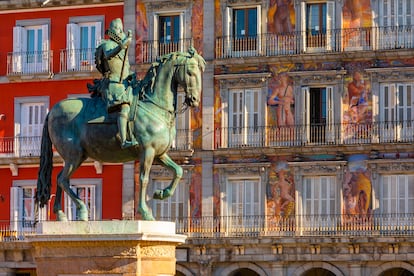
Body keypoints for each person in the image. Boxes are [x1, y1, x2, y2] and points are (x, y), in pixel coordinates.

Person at [95, 18, 138, 149]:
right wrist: (121, 46)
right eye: (119, 29)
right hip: (113, 83)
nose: (121, 32)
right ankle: (124, 140)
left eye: (121, 29)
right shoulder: (106, 44)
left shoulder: (123, 50)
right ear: (113, 30)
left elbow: (125, 68)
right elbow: (108, 55)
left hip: (124, 83)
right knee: (124, 106)